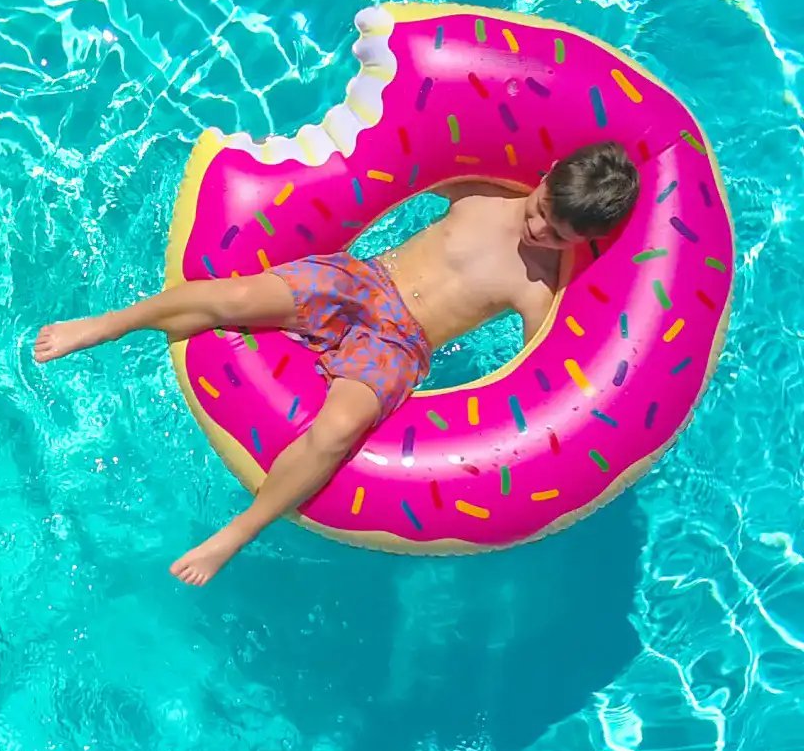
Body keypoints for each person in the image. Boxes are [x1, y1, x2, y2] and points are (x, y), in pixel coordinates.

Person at [34, 141, 640, 584]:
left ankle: (237, 533)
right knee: (236, 296)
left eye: (557, 235)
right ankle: (105, 325)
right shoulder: (481, 190)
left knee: (338, 428)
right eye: (540, 208)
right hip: (364, 279)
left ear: (583, 243)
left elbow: (542, 382)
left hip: (401, 346)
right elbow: (399, 165)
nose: (537, 229)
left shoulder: (541, 289)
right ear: (547, 173)